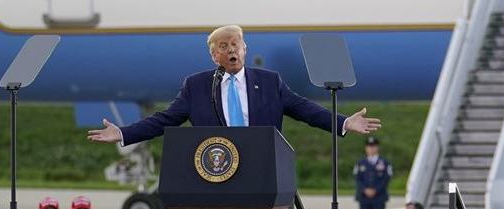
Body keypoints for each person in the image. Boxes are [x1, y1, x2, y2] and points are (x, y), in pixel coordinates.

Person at [87, 25, 381, 146]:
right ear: (214, 55)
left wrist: (343, 122)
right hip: (215, 174)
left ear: (244, 48)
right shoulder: (197, 86)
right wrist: (124, 133)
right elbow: (164, 120)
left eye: (236, 44)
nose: (231, 50)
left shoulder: (270, 82)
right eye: (223, 46)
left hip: (263, 173)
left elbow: (305, 110)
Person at [354, 136, 392, 209]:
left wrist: (375, 190)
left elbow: (386, 178)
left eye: (373, 146)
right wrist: (365, 189)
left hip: (379, 197)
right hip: (364, 197)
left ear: (377, 147)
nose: (371, 149)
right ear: (366, 148)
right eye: (369, 146)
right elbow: (357, 179)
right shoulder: (360, 162)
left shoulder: (384, 162)